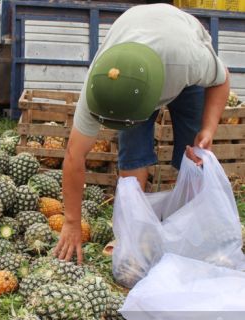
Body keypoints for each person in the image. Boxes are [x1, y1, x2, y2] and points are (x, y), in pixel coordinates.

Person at [53, 4, 230, 263]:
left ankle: (191, 227)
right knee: (133, 148)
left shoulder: (189, 61)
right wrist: (71, 221)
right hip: (135, 56)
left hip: (178, 51)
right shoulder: (100, 84)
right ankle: (134, 231)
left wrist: (208, 128)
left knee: (193, 149)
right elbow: (74, 155)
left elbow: (222, 78)